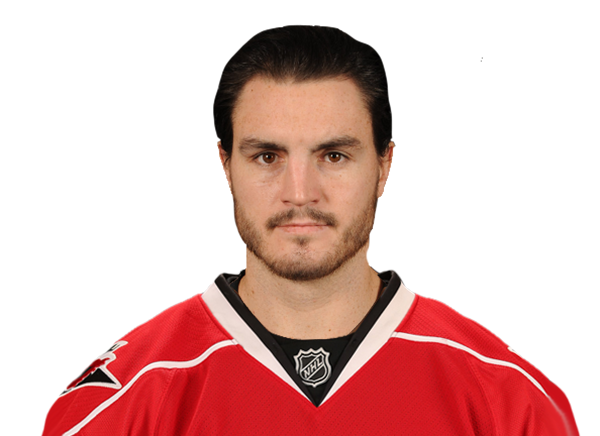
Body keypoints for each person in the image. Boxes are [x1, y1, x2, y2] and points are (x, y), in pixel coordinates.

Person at [44, 25, 575, 436]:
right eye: (267, 156)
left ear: (384, 165)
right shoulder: (127, 393)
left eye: (334, 155)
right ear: (226, 166)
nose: (300, 193)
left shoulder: (506, 396)